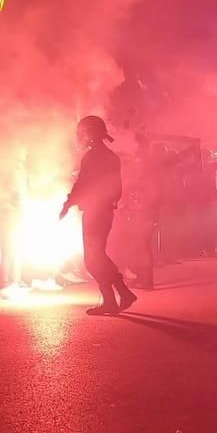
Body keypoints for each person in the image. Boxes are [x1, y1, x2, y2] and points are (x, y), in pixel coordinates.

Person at [63, 114, 136, 315]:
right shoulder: (111, 156)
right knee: (98, 256)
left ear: (89, 133)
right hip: (104, 212)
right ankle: (118, 296)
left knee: (93, 259)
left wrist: (69, 203)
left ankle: (114, 298)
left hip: (95, 213)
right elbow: (117, 189)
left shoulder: (92, 157)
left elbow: (82, 184)